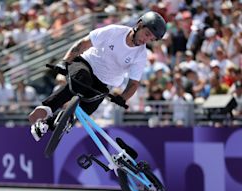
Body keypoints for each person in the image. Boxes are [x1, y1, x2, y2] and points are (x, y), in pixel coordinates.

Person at [28, 11, 167, 141]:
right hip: (86, 64)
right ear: (139, 25)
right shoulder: (114, 31)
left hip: (105, 82)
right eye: (147, 34)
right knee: (83, 80)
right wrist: (65, 62)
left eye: (151, 39)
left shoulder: (141, 55)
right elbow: (83, 43)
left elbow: (134, 83)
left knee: (87, 108)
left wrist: (122, 98)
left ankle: (47, 125)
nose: (146, 40)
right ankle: (48, 107)